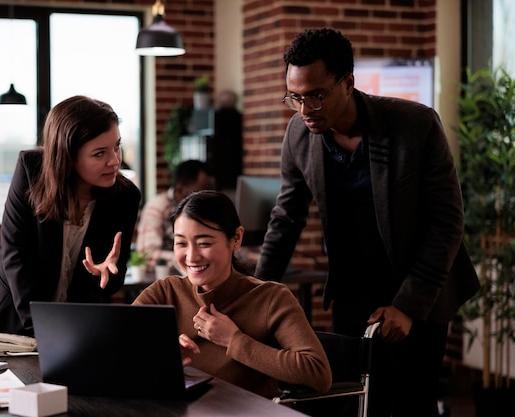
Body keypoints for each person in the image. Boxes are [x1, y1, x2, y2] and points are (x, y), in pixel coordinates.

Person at [254, 28, 480, 417]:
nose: (306, 109)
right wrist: (255, 294)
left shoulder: (415, 125)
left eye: (317, 95)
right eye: (295, 97)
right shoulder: (299, 135)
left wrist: (407, 305)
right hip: (353, 289)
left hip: (420, 287)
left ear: (349, 82)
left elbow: (447, 222)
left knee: (412, 403)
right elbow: (286, 218)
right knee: (354, 402)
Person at [133, 190, 332, 399]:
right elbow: (114, 345)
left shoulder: (271, 298)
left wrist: (234, 340)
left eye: (204, 243)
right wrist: (158, 351)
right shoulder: (164, 292)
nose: (191, 256)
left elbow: (318, 373)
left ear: (236, 238)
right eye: (181, 243)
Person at [0, 95, 141, 336]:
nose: (114, 161)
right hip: (12, 318)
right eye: (99, 153)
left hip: (75, 327)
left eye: (117, 147)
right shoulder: (31, 171)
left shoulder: (125, 196)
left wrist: (105, 275)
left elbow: (111, 281)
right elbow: (16, 255)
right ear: (68, 156)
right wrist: (42, 329)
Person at [135, 159, 212, 269]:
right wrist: (186, 259)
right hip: (165, 278)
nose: (207, 193)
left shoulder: (204, 210)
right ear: (181, 188)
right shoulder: (158, 207)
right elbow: (146, 254)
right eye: (203, 188)